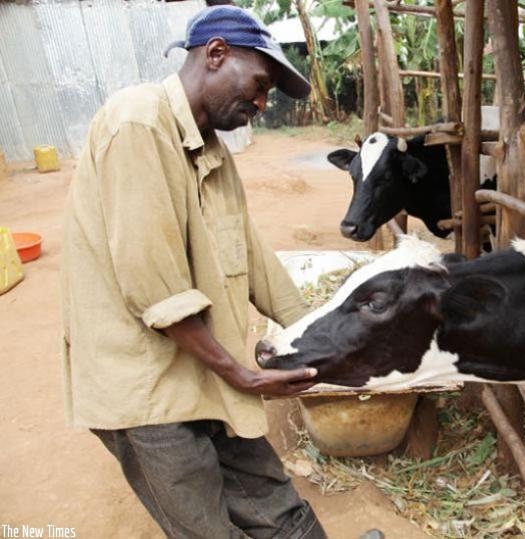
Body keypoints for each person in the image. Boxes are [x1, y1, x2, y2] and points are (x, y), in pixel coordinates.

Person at [61, 6, 327, 537]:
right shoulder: (136, 122)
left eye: (267, 91)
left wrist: (319, 333)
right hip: (146, 385)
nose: (260, 102)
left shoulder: (214, 151)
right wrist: (244, 376)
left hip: (205, 362)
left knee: (273, 499)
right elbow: (153, 289)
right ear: (216, 54)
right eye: (258, 84)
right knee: (204, 522)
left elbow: (251, 257)